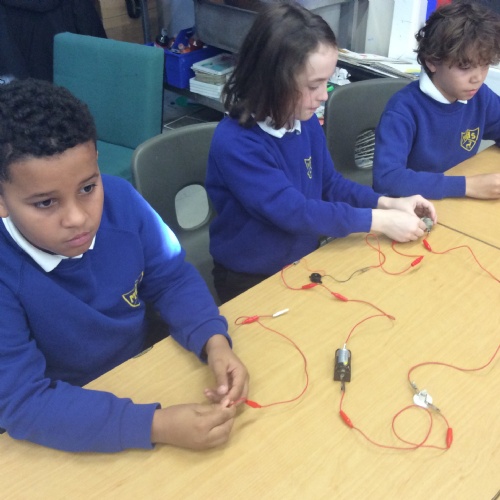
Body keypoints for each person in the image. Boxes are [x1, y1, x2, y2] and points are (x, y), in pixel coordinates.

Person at [0, 78, 249, 453]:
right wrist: (155, 425)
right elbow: (23, 402)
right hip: (67, 416)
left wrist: (213, 341)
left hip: (140, 374)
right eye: (46, 203)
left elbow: (171, 279)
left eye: (88, 187)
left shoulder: (121, 201)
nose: (78, 218)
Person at [205, 2, 437, 303]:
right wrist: (379, 220)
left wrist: (389, 203)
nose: (323, 95)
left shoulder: (302, 118)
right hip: (250, 278)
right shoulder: (237, 143)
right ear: (272, 80)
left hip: (303, 259)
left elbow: (330, 184)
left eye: (327, 82)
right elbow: (295, 212)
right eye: (314, 85)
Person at [373, 1, 500, 200]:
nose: (478, 78)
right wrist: (466, 186)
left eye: (484, 66)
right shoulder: (403, 110)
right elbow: (387, 179)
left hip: (456, 200)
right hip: (414, 207)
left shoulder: (479, 95)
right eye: (465, 67)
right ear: (432, 61)